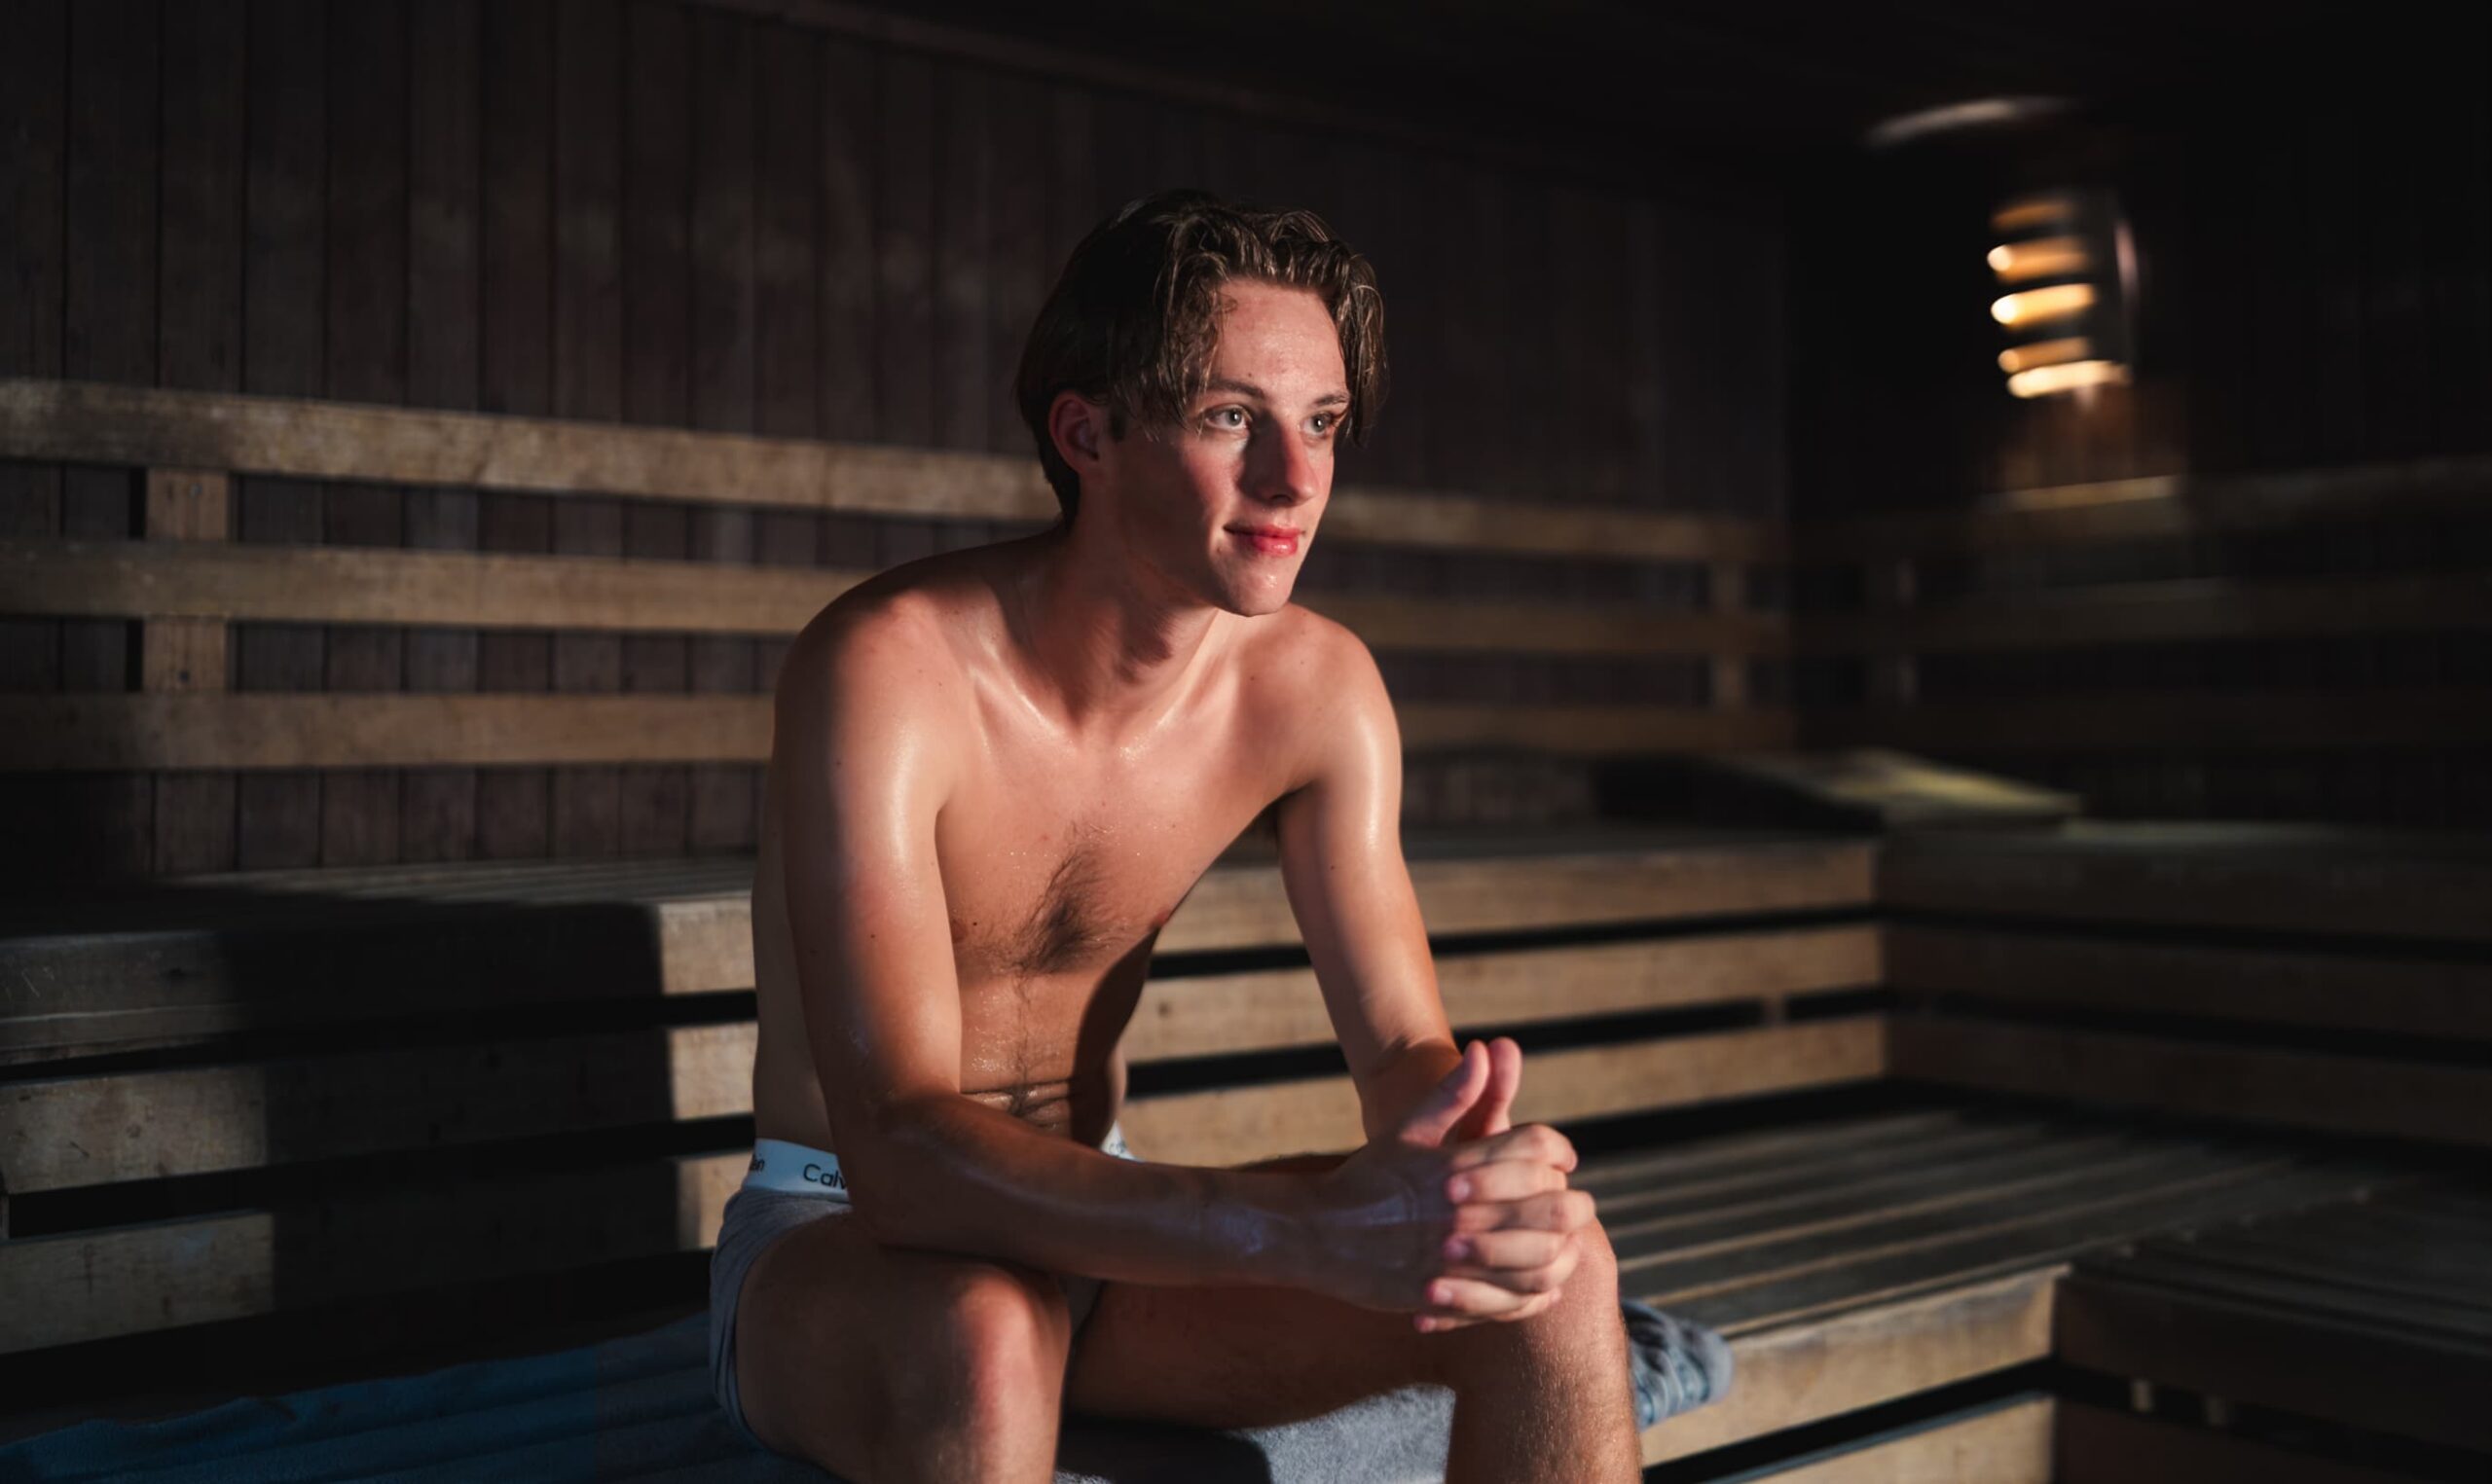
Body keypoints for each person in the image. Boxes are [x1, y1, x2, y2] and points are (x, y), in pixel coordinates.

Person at [709, 189, 1641, 1483]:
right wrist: (1285, 1227)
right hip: (846, 1231)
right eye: (1230, 418)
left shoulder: (1316, 689)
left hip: (1112, 1231)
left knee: (1555, 1272)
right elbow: (903, 1155)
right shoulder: (890, 669)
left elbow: (1401, 1055)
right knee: (987, 1338)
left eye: (1322, 422)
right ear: (1087, 433)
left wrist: (1462, 1160)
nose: (1296, 478)